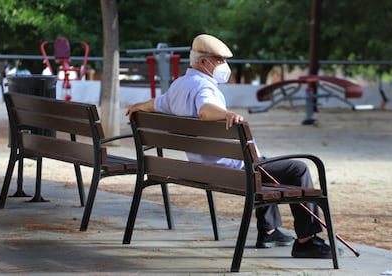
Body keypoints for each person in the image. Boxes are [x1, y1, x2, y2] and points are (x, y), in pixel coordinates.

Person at [126, 34, 332, 258]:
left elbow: (155, 105)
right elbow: (206, 109)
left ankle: (270, 231)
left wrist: (138, 107)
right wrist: (227, 114)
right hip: (232, 169)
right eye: (220, 60)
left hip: (203, 166)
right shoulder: (204, 87)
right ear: (203, 62)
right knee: (296, 169)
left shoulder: (179, 85)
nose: (224, 65)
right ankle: (307, 240)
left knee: (264, 164)